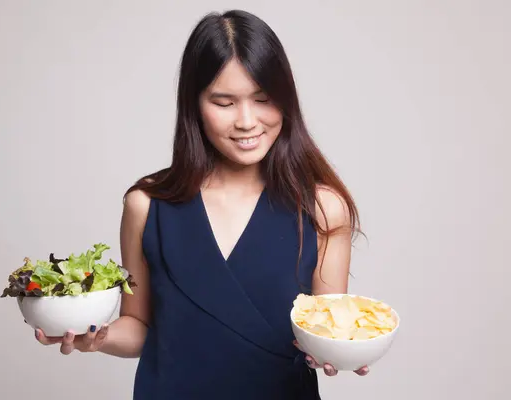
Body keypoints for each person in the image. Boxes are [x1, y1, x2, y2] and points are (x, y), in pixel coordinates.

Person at [34, 9, 368, 399]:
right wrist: (99, 336)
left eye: (263, 99)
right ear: (194, 104)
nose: (246, 121)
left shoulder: (323, 208)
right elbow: (138, 325)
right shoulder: (146, 205)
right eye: (224, 103)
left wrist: (342, 349)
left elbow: (324, 331)